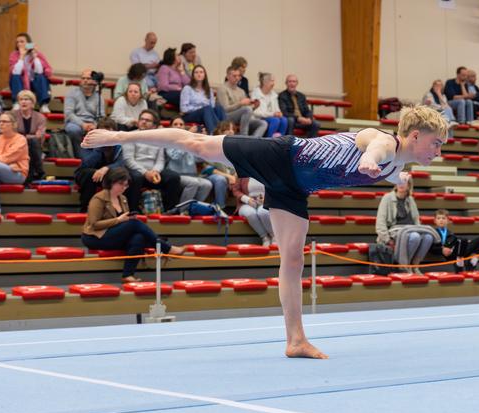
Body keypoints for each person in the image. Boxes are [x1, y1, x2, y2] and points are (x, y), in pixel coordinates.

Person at [82, 104, 448, 359]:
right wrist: (370, 159)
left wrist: (393, 174)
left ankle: (296, 340)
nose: (439, 151)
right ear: (414, 135)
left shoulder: (394, 168)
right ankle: (121, 136)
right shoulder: (381, 141)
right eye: (436, 143)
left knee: (292, 260)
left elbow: (389, 167)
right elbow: (375, 147)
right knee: (196, 144)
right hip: (282, 156)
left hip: (293, 190)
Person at [82, 167, 185, 283]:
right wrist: (119, 220)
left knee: (138, 237)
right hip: (94, 237)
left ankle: (127, 275)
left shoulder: (123, 198)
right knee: (134, 224)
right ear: (111, 182)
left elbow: (124, 223)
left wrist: (125, 220)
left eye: (126, 185)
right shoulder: (98, 198)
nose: (124, 188)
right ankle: (165, 247)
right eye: (121, 184)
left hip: (112, 234)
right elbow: (94, 224)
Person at [122, 110, 181, 212]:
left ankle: (170, 211)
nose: (144, 122)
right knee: (136, 177)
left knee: (173, 177)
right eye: (142, 119)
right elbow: (128, 160)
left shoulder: (159, 139)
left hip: (153, 172)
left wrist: (155, 172)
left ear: (154, 126)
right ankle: (133, 210)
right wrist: (145, 173)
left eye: (148, 120)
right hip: (136, 171)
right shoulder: (130, 136)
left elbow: (160, 160)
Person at [375, 179, 437, 274]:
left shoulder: (410, 199)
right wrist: (387, 239)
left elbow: (416, 220)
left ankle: (415, 265)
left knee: (428, 237)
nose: (401, 184)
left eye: (404, 182)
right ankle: (404, 266)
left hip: (411, 229)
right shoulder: (387, 198)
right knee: (415, 236)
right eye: (399, 181)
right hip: (395, 231)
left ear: (409, 186)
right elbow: (380, 223)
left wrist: (420, 231)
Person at [75, 118, 123, 212]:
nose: (105, 136)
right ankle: (86, 209)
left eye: (108, 133)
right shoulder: (88, 141)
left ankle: (120, 210)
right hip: (87, 174)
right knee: (90, 174)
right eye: (102, 132)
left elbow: (121, 162)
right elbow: (87, 163)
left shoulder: (119, 145)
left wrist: (106, 168)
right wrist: (99, 145)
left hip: (109, 174)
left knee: (124, 174)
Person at [166, 117, 213, 204]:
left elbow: (200, 159)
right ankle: (183, 210)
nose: (178, 126)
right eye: (175, 124)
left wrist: (204, 141)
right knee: (194, 183)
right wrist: (188, 138)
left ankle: (194, 208)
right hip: (177, 176)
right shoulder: (168, 141)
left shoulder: (191, 141)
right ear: (171, 127)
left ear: (184, 127)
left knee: (207, 184)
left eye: (181, 124)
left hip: (192, 175)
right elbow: (176, 156)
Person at [64, 69, 105, 158]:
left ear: (94, 81)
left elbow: (101, 115)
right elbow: (69, 113)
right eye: (83, 78)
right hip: (75, 123)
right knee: (73, 130)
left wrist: (94, 125)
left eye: (88, 78)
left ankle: (96, 158)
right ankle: (80, 157)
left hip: (92, 123)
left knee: (103, 130)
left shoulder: (99, 96)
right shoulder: (72, 93)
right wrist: (82, 124)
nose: (85, 80)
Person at [0, 113, 29, 213]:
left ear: (13, 124)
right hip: (2, 171)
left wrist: (3, 163)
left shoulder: (21, 139)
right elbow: (3, 160)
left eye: (4, 122)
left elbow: (7, 157)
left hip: (17, 175)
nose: (0, 124)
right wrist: (6, 165)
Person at [217, 66, 266, 137]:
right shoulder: (222, 88)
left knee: (263, 123)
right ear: (227, 76)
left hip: (241, 116)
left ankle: (253, 141)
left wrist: (254, 106)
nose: (237, 78)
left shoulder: (241, 91)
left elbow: (246, 109)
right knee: (247, 109)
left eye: (239, 76)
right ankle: (244, 136)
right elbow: (225, 109)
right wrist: (240, 103)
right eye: (234, 76)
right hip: (226, 116)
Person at [9, 32, 52, 113]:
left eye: (22, 41)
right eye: (17, 42)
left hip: (34, 83)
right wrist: (21, 57)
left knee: (41, 76)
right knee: (15, 76)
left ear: (29, 43)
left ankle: (43, 104)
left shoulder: (37, 54)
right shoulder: (14, 55)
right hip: (21, 83)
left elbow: (39, 71)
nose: (19, 44)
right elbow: (15, 72)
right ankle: (17, 103)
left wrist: (35, 56)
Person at [180, 65, 226, 135]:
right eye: (196, 72)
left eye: (201, 72)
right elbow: (184, 109)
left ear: (204, 75)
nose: (199, 74)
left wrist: (206, 109)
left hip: (206, 113)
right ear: (193, 75)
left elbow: (212, 107)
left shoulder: (209, 90)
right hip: (190, 115)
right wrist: (201, 108)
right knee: (206, 109)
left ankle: (225, 130)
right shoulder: (187, 88)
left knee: (219, 108)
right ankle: (214, 133)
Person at [12, 90, 46, 183]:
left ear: (32, 103)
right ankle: (39, 170)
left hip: (34, 146)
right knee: (30, 142)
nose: (23, 102)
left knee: (32, 143)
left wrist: (24, 137)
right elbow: (12, 134)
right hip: (17, 146)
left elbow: (40, 136)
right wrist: (29, 137)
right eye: (21, 99)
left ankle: (29, 177)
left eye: (26, 99)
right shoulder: (13, 115)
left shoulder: (40, 117)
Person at [232, 177, 274, 246]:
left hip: (265, 202)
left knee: (263, 212)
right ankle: (265, 237)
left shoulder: (267, 173)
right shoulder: (242, 172)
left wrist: (267, 198)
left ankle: (273, 236)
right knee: (250, 214)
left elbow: (274, 189)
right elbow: (235, 190)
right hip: (245, 203)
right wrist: (246, 199)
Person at [252, 72, 288, 137]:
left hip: (272, 117)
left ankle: (280, 141)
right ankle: (269, 141)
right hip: (259, 118)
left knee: (284, 120)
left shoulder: (274, 95)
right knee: (275, 120)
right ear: (265, 82)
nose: (273, 83)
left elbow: (277, 109)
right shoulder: (256, 94)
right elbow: (256, 112)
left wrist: (279, 113)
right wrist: (273, 114)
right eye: (272, 81)